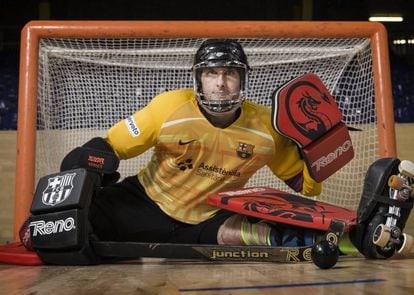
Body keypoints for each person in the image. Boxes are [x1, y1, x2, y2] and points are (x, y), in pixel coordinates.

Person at [71, 38, 323, 247]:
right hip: (147, 203)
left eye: (230, 73)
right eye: (211, 73)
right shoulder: (169, 106)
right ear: (199, 78)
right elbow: (111, 146)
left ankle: (310, 239)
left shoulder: (268, 126)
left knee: (243, 235)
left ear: (243, 79)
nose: (221, 83)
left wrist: (316, 152)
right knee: (78, 222)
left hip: (210, 218)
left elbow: (305, 186)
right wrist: (85, 168)